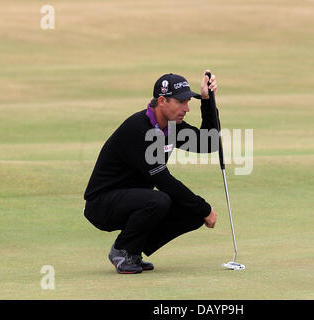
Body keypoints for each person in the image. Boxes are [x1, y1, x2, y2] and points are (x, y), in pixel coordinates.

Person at [83, 70, 220, 274]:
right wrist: (204, 207)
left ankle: (134, 251)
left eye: (188, 101)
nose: (187, 108)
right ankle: (122, 250)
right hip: (102, 203)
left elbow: (210, 142)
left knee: (191, 213)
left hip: (135, 200)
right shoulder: (138, 128)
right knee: (161, 200)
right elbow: (162, 179)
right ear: (162, 101)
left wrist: (207, 100)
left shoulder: (173, 127)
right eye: (181, 102)